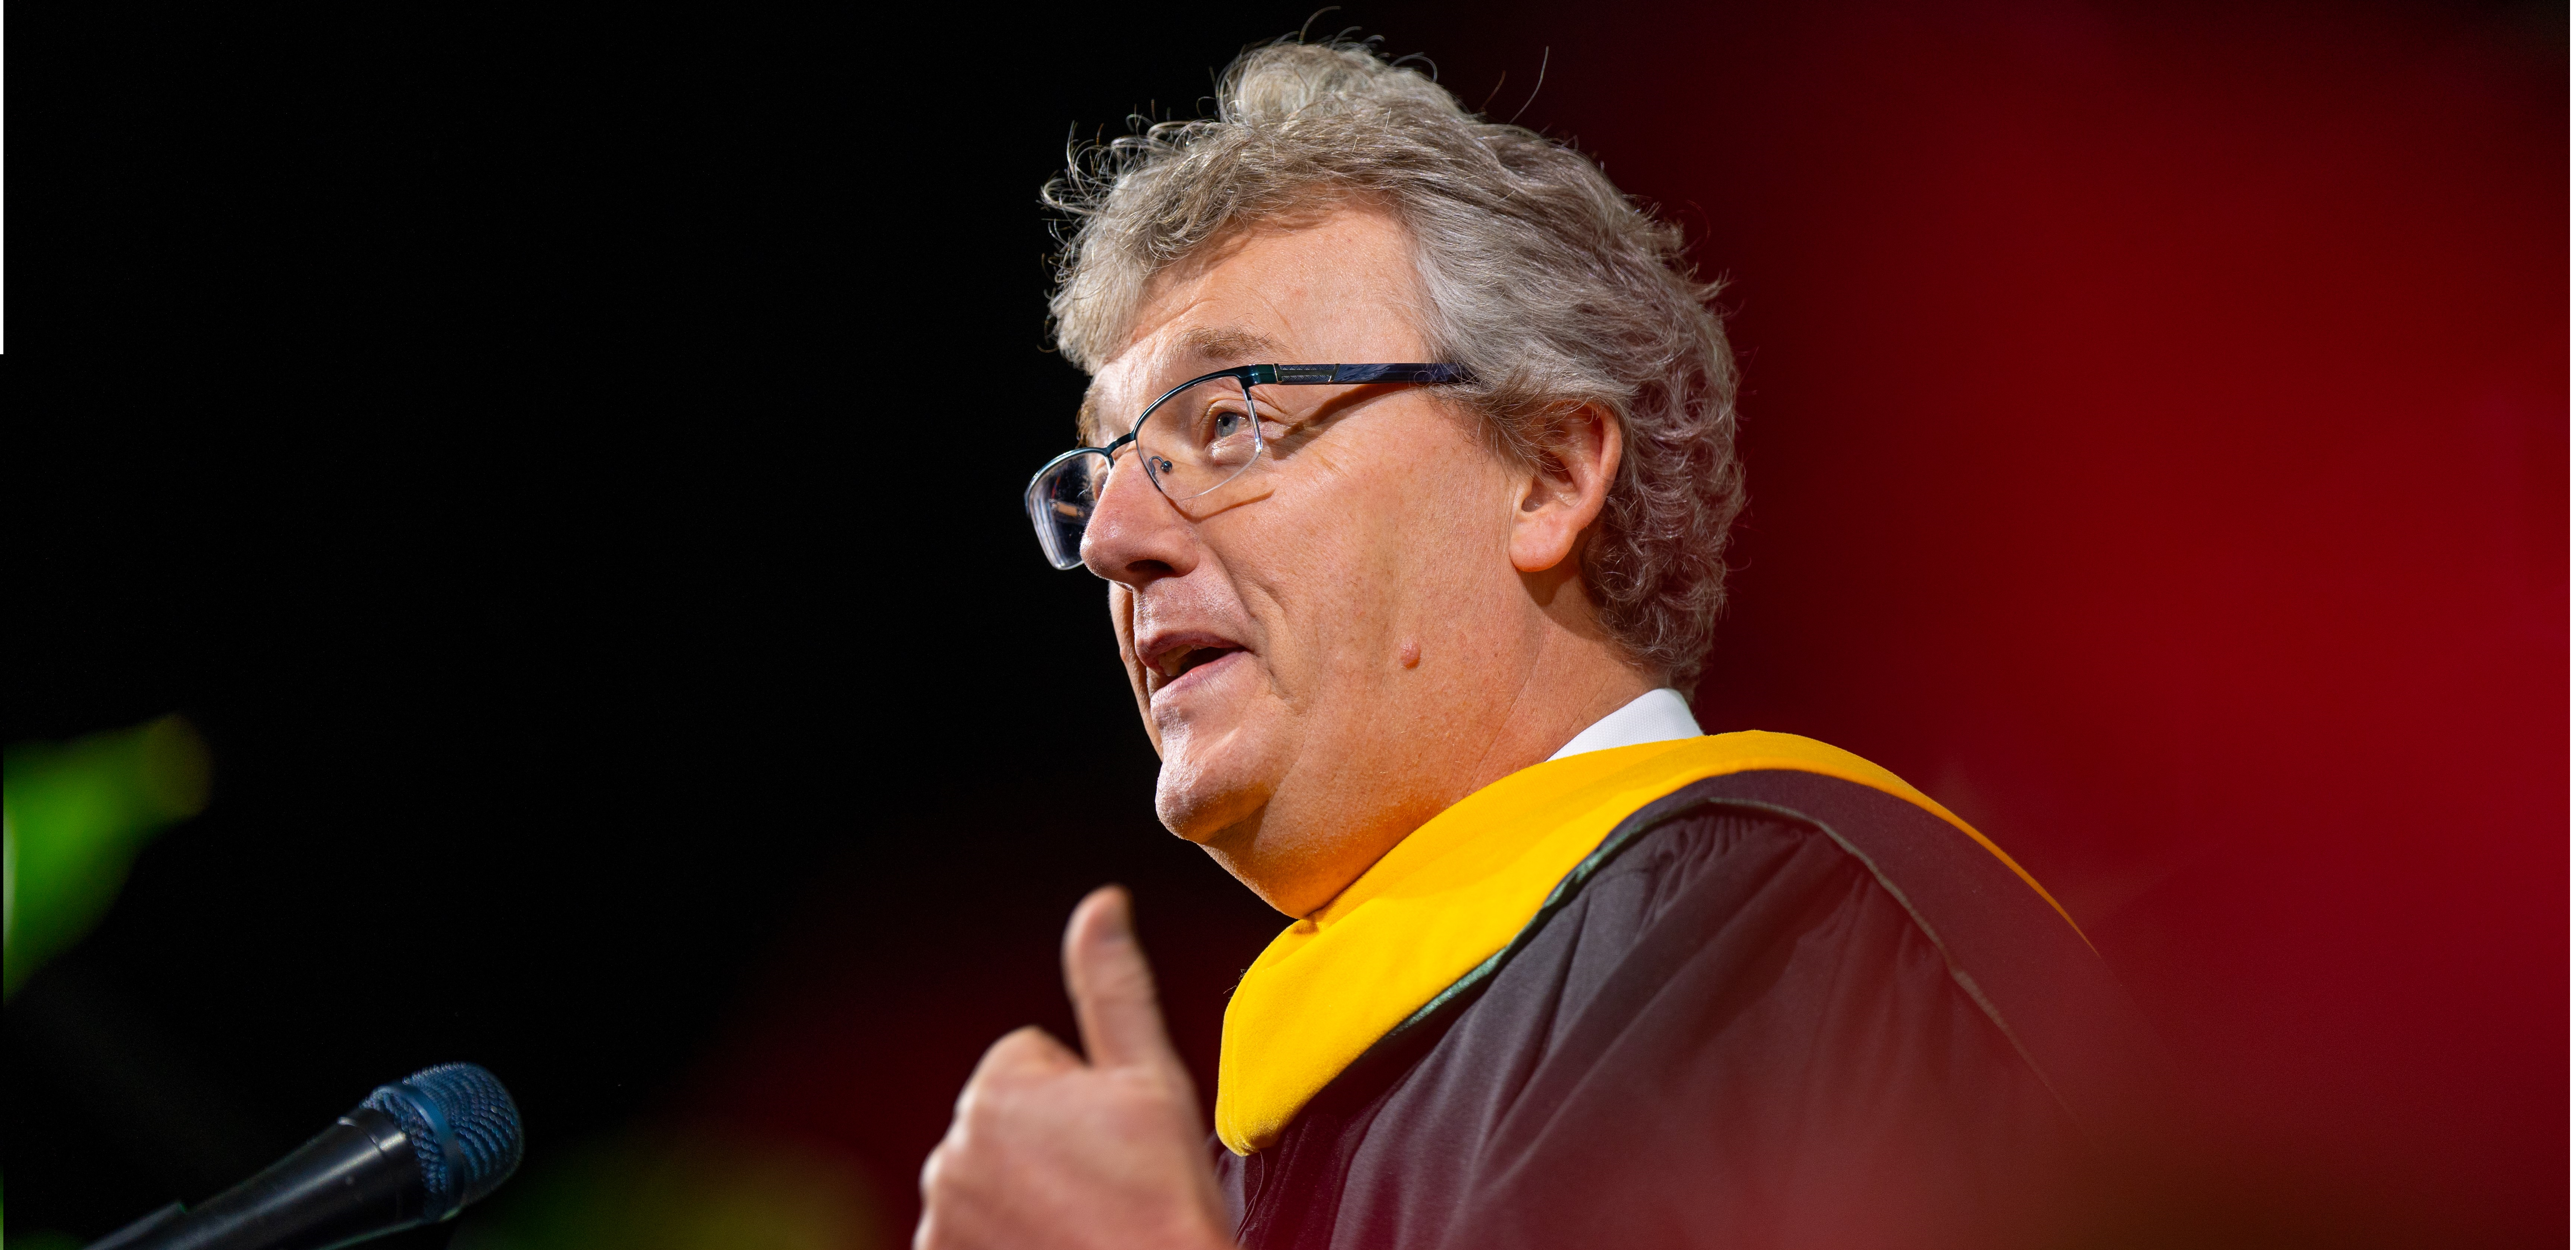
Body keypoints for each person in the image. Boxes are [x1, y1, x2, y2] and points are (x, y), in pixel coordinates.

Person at [917, 40, 2164, 1250]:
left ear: (1549, 474)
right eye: (1106, 467)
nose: (1113, 539)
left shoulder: (1787, 942)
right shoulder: (1265, 1132)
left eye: (1229, 419)